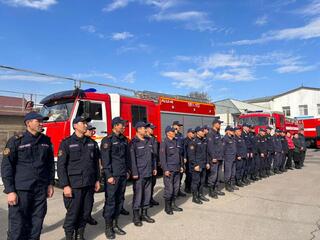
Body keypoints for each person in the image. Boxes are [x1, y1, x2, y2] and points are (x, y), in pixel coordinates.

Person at [1, 112, 54, 240]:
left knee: (36, 224)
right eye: (38, 121)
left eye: (42, 121)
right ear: (28, 123)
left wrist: (50, 184)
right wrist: (10, 191)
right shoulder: (16, 141)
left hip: (40, 190)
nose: (42, 123)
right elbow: (7, 167)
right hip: (22, 190)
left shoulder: (46, 140)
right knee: (17, 226)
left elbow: (49, 165)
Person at [58, 116, 100, 240]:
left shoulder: (91, 143)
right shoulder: (66, 143)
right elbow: (61, 166)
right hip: (74, 185)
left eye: (86, 123)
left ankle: (80, 234)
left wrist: (97, 179)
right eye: (83, 123)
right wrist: (65, 185)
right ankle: (69, 236)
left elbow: (95, 164)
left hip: (89, 184)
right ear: (75, 125)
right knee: (73, 213)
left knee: (86, 212)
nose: (86, 125)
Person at [101, 117, 131, 239]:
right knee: (111, 202)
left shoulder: (124, 140)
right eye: (122, 125)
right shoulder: (107, 140)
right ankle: (108, 228)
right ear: (115, 126)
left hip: (123, 175)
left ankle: (115, 224)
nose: (124, 127)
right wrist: (109, 175)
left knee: (120, 200)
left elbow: (127, 157)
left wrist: (128, 170)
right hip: (113, 177)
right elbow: (105, 160)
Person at [130, 122, 157, 226]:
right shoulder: (134, 142)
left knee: (147, 194)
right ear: (138, 129)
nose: (146, 130)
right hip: (139, 174)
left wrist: (154, 167)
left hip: (149, 172)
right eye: (144, 128)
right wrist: (135, 172)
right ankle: (136, 216)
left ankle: (144, 214)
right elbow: (132, 159)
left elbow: (153, 156)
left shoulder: (148, 140)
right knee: (138, 195)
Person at [160, 126, 184, 215]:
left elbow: (179, 155)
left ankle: (173, 204)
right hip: (169, 170)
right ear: (168, 133)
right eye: (172, 131)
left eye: (174, 131)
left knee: (176, 188)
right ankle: (167, 207)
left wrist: (181, 165)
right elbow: (162, 158)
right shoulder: (164, 142)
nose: (174, 132)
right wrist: (165, 169)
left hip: (177, 169)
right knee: (169, 189)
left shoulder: (176, 141)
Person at [188, 126, 210, 204]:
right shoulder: (193, 142)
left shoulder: (204, 141)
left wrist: (207, 162)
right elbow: (191, 156)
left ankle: (200, 194)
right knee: (196, 182)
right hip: (197, 166)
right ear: (197, 132)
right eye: (201, 131)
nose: (203, 132)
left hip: (203, 165)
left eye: (203, 131)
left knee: (202, 181)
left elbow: (206, 153)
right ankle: (195, 197)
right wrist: (195, 165)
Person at [84, 124, 99, 226]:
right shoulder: (72, 142)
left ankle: (88, 216)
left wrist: (98, 179)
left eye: (92, 130)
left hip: (91, 178)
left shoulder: (93, 143)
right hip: (78, 179)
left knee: (89, 201)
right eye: (90, 130)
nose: (91, 132)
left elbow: (97, 162)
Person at [207, 119, 225, 198]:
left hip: (220, 157)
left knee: (218, 174)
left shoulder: (217, 133)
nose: (220, 125)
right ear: (214, 124)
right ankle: (211, 191)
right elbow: (210, 147)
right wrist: (213, 157)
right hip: (215, 158)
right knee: (213, 175)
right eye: (219, 124)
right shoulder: (210, 133)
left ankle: (216, 189)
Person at [145, 122, 160, 207]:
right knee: (147, 185)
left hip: (153, 163)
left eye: (153, 128)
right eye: (151, 128)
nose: (153, 130)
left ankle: (150, 198)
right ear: (146, 129)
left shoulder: (154, 138)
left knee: (153, 183)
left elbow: (156, 152)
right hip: (146, 165)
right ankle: (146, 201)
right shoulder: (145, 138)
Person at [172, 121, 187, 197]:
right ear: (174, 126)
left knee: (180, 175)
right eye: (178, 126)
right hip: (174, 158)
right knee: (174, 176)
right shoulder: (172, 134)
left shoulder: (181, 135)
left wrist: (184, 157)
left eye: (180, 126)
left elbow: (184, 147)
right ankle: (174, 192)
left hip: (180, 157)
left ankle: (178, 190)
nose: (179, 127)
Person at [223, 126, 238, 192]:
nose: (233, 132)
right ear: (228, 131)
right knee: (228, 173)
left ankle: (232, 184)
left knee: (233, 172)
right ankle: (227, 186)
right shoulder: (225, 139)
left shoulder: (233, 138)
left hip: (233, 157)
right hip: (228, 158)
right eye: (231, 131)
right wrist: (225, 157)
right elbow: (223, 149)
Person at [183, 128, 195, 194]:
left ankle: (190, 187)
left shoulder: (193, 140)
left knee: (192, 174)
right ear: (188, 133)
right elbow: (184, 150)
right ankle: (187, 188)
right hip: (188, 161)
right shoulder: (186, 140)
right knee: (188, 175)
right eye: (192, 133)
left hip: (193, 160)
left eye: (194, 133)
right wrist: (185, 158)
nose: (193, 134)